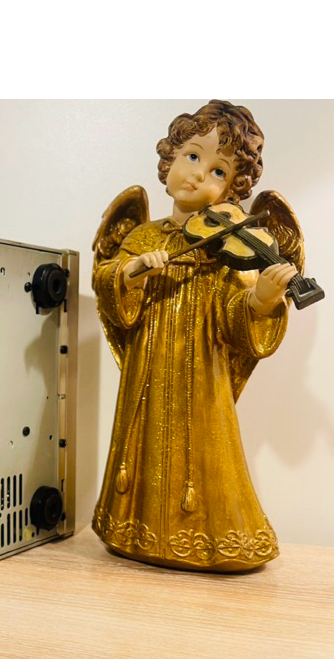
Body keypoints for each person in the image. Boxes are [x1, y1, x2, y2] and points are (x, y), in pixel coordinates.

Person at [92, 100, 299, 571]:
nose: (198, 174)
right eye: (191, 156)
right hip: (148, 366)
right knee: (142, 441)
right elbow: (107, 283)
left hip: (203, 373)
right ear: (169, 158)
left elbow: (235, 318)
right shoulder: (142, 237)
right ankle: (131, 528)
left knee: (204, 450)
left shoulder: (231, 243)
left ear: (231, 189)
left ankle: (215, 540)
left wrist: (262, 299)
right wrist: (132, 272)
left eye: (218, 171)